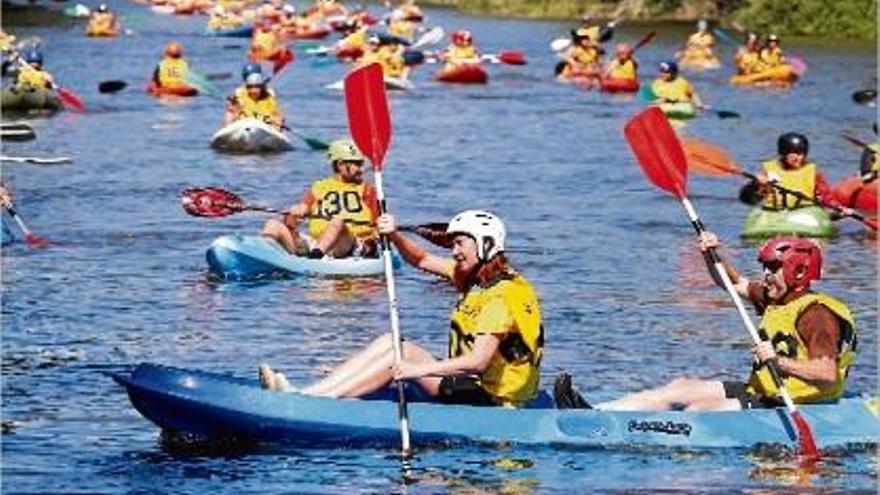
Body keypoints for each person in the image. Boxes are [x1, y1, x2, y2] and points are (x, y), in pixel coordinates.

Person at [260, 210, 546, 409]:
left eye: (460, 243)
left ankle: (314, 401)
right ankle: (311, 394)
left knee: (403, 352)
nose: (454, 252)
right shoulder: (478, 278)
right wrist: (393, 235)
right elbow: (421, 260)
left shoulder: (501, 295)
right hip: (471, 384)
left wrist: (416, 370)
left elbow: (477, 362)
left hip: (490, 398)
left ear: (485, 245)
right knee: (390, 342)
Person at [569, 232, 858, 412]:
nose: (766, 274)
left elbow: (826, 372)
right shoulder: (775, 297)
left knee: (700, 410)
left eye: (772, 268)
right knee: (679, 387)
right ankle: (595, 413)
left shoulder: (817, 315)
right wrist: (712, 254)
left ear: (797, 271)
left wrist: (778, 361)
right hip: (763, 390)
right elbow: (732, 284)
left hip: (795, 402)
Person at [260, 139, 379, 258]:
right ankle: (263, 254)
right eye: (357, 164)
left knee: (337, 222)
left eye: (361, 164)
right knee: (272, 225)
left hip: (348, 245)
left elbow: (378, 222)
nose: (361, 170)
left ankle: (314, 257)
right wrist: (296, 212)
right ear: (340, 164)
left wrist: (373, 241)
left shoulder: (367, 190)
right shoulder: (318, 187)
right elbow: (294, 220)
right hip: (316, 242)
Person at [754, 133, 851, 214]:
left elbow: (827, 197)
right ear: (783, 153)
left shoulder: (813, 171)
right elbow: (749, 199)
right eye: (794, 154)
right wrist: (756, 184)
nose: (799, 158)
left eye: (801, 154)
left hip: (805, 213)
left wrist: (840, 208)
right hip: (773, 212)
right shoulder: (767, 169)